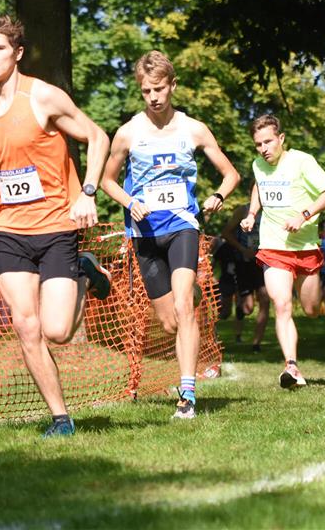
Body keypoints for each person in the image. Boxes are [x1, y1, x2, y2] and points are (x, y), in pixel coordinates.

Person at [0, 15, 111, 438]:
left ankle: (85, 272)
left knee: (56, 331)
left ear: (16, 53)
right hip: (11, 231)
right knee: (26, 325)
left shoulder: (44, 98)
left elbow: (97, 136)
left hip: (56, 224)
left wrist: (87, 192)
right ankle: (61, 419)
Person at [100, 50, 240, 420]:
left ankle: (187, 395)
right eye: (146, 91)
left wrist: (217, 196)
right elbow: (106, 181)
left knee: (182, 306)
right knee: (169, 320)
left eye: (159, 89)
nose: (154, 97)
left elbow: (231, 174)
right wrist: (130, 202)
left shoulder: (193, 129)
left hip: (182, 226)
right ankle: (190, 295)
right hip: (144, 234)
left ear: (173, 85)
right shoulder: (128, 132)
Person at [239, 114, 325, 389]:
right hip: (273, 246)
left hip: (305, 248)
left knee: (311, 309)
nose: (263, 149)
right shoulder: (258, 164)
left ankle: (320, 296)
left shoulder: (302, 161)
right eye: (258, 144)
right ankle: (291, 367)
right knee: (281, 305)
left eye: (268, 142)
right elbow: (258, 185)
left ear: (281, 138)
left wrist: (303, 216)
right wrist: (252, 213)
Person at [221, 204, 271, 352]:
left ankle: (257, 343)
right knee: (248, 308)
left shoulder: (273, 209)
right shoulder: (242, 211)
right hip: (245, 263)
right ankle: (240, 308)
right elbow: (226, 233)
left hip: (264, 262)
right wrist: (243, 249)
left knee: (265, 299)